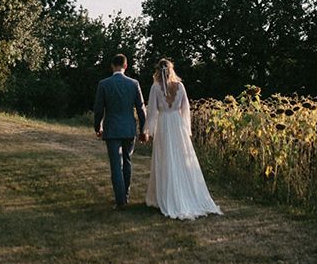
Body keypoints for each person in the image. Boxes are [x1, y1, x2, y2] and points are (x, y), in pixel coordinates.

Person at [145, 58, 222, 220]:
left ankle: (167, 196)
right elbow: (186, 109)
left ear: (158, 70)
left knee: (165, 158)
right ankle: (185, 194)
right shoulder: (180, 86)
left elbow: (152, 111)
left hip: (164, 124)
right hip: (177, 124)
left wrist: (148, 131)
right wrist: (186, 128)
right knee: (180, 158)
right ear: (171, 69)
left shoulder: (155, 88)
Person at [93, 53, 146, 210]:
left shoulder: (104, 84)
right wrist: (143, 129)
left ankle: (120, 200)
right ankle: (126, 195)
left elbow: (98, 109)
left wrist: (98, 127)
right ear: (126, 65)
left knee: (116, 164)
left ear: (112, 66)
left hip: (112, 128)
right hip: (129, 128)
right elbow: (141, 109)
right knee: (127, 161)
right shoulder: (134, 83)